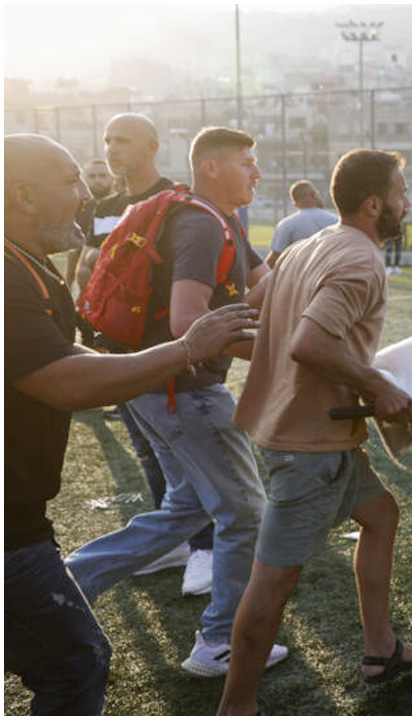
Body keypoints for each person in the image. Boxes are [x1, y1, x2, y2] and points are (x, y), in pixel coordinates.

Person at [4, 133, 257, 715]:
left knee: (189, 507)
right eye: (70, 183)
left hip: (21, 518)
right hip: (10, 529)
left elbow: (71, 361)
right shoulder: (8, 275)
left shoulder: (30, 266)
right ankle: (220, 638)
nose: (86, 197)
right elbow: (63, 383)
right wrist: (185, 350)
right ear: (23, 195)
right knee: (76, 663)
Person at [218, 149, 412, 714]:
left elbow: (248, 316)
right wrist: (378, 385)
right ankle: (234, 709)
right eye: (400, 192)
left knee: (381, 515)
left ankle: (380, 648)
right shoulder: (360, 261)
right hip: (307, 444)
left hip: (310, 431)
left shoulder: (303, 247)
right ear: (374, 204)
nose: (406, 202)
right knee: (273, 583)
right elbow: (309, 343)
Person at [64, 126, 288, 676]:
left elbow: (269, 282)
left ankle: (64, 582)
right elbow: (190, 326)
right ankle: (219, 642)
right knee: (245, 514)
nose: (257, 172)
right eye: (246, 162)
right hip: (184, 392)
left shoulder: (222, 220)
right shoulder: (201, 226)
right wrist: (282, 358)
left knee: (185, 507)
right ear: (211, 168)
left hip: (155, 391)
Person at [77, 114, 219, 593]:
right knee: (148, 449)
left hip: (162, 351)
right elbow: (91, 266)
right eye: (108, 140)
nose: (113, 149)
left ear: (154, 146)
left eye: (124, 140)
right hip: (118, 349)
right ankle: (176, 543)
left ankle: (205, 547)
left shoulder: (174, 202)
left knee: (184, 456)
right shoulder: (105, 205)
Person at [264, 179, 338, 268]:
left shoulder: (287, 224)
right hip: (330, 276)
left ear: (294, 202)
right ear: (313, 195)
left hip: (297, 279)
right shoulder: (336, 221)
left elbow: (273, 259)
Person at [66, 158, 114, 284]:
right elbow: (74, 250)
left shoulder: (124, 206)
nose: (97, 180)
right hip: (87, 274)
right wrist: (68, 283)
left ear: (112, 178)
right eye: (92, 176)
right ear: (84, 180)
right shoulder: (79, 208)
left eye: (103, 176)